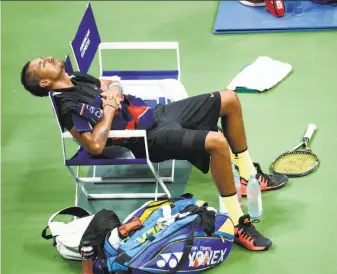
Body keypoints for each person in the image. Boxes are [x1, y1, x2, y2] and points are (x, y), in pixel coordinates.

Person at [21, 56, 289, 251]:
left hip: (151, 115)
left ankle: (248, 177)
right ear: (45, 81)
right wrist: (111, 107)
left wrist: (111, 93)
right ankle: (236, 221)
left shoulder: (77, 78)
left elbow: (110, 83)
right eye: (43, 63)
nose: (49, 58)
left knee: (229, 98)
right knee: (217, 142)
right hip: (146, 139)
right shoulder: (67, 106)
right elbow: (95, 145)